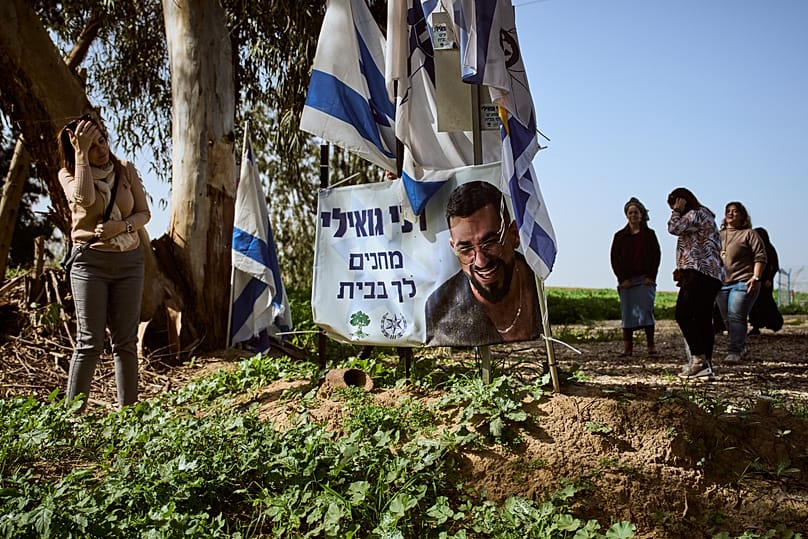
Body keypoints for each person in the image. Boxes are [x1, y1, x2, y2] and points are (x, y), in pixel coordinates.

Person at [58, 114, 151, 411]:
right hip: (90, 264)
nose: (101, 148)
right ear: (75, 148)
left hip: (129, 263)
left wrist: (120, 227)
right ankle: (72, 418)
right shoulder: (69, 175)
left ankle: (130, 416)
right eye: (91, 144)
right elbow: (84, 200)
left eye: (101, 140)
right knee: (90, 342)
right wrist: (81, 154)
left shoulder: (125, 170)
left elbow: (143, 214)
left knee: (125, 342)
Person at [425, 181, 540, 346]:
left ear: (514, 234)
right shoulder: (438, 308)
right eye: (466, 249)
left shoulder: (536, 282)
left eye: (490, 242)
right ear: (453, 248)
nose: (481, 261)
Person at [667, 187, 724, 379]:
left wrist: (676, 210)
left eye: (674, 205)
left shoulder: (695, 214)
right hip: (712, 274)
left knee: (683, 314)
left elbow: (673, 228)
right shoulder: (706, 216)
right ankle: (706, 365)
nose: (674, 210)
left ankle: (698, 360)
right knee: (702, 319)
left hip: (699, 272)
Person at [714, 202, 767, 364]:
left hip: (742, 282)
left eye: (735, 211)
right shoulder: (717, 235)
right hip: (721, 283)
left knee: (736, 316)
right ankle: (740, 345)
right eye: (728, 211)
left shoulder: (749, 234)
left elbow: (760, 256)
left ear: (742, 216)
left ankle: (734, 351)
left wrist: (756, 277)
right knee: (728, 319)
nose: (731, 214)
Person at [610, 197, 661, 357]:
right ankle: (628, 348)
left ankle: (651, 345)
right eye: (630, 212)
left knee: (647, 312)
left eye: (636, 212)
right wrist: (622, 278)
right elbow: (614, 258)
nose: (633, 215)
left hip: (645, 280)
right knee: (627, 314)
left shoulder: (650, 235)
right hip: (627, 282)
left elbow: (656, 256)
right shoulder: (619, 236)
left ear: (641, 214)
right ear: (627, 215)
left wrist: (651, 276)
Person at [748, 227, 783, 335]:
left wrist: (769, 278)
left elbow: (774, 265)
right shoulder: (754, 249)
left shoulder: (769, 249)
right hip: (755, 280)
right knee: (754, 305)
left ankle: (774, 323)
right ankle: (756, 326)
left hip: (765, 283)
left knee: (766, 303)